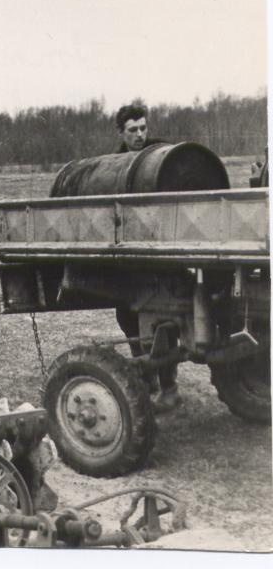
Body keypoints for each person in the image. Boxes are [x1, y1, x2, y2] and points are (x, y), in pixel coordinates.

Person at [113, 104, 181, 412]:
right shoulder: (115, 164)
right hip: (132, 258)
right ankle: (149, 383)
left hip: (163, 255)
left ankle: (169, 388)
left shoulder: (164, 155)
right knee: (128, 318)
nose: (140, 135)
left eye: (143, 128)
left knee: (164, 322)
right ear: (121, 133)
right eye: (133, 130)